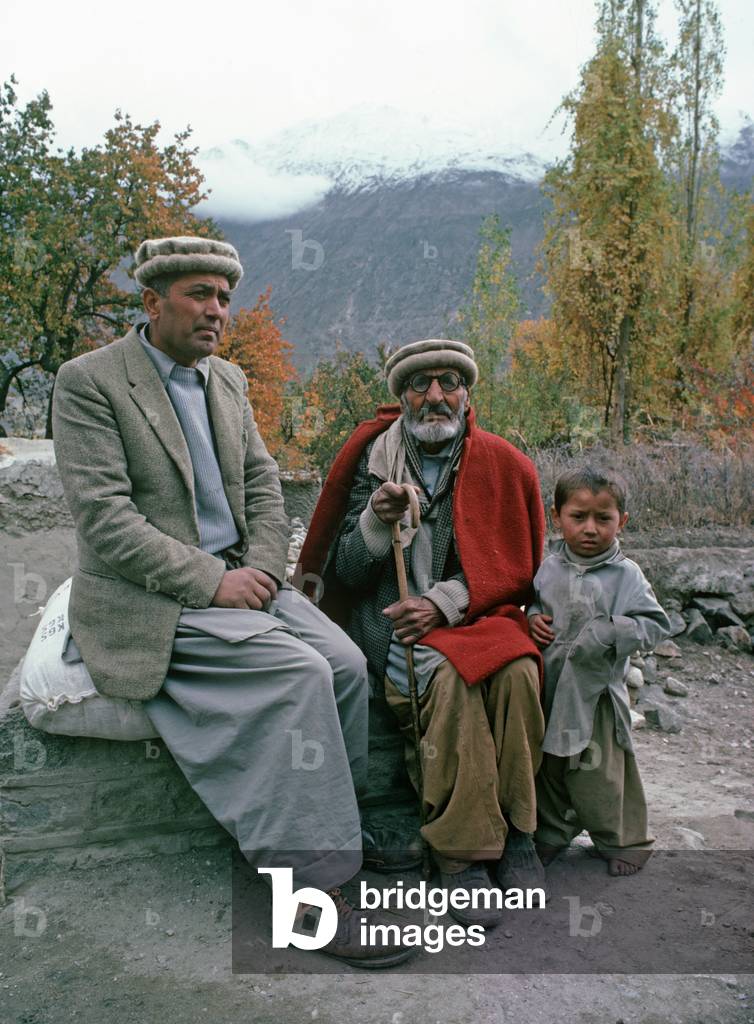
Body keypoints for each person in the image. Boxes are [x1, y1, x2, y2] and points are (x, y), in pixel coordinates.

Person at [51, 235, 411, 967]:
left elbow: (263, 487)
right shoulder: (89, 382)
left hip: (238, 578)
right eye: (199, 295)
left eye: (224, 297)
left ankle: (332, 833)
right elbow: (107, 520)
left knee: (342, 661)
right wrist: (212, 583)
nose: (217, 310)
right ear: (153, 303)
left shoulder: (229, 382)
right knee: (300, 676)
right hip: (151, 599)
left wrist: (257, 568)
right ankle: (308, 897)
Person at [298, 339, 547, 929]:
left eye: (448, 382)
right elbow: (343, 575)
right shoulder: (371, 461)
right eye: (420, 385)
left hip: (479, 619)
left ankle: (520, 833)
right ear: (402, 397)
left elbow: (515, 566)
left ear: (467, 393)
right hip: (395, 631)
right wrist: (374, 523)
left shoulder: (502, 464)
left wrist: (444, 602)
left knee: (517, 673)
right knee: (451, 681)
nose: (435, 396)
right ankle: (460, 854)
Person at [527, 465, 670, 877]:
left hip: (598, 699)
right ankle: (552, 833)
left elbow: (655, 625)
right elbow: (533, 603)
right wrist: (532, 617)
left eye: (603, 519)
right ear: (557, 517)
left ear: (621, 521)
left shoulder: (627, 575)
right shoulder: (549, 567)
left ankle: (625, 840)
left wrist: (612, 630)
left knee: (600, 774)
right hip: (551, 691)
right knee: (550, 768)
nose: (590, 528)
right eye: (578, 517)